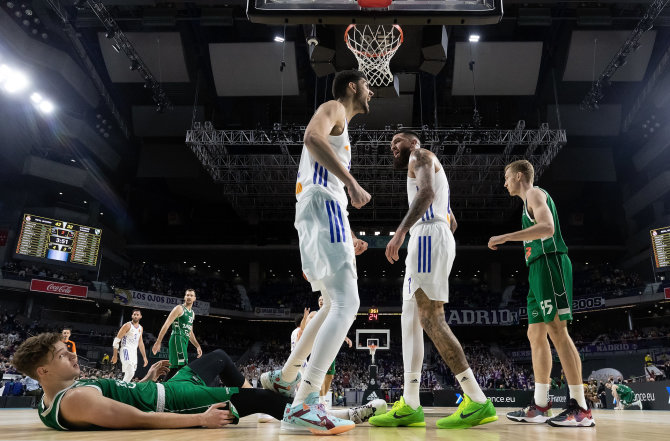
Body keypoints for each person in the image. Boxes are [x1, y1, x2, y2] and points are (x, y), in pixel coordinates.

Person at [260, 69, 372, 435]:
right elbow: (310, 137)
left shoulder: (342, 126)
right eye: (367, 86)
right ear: (352, 87)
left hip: (319, 211)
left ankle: (285, 377)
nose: (372, 92)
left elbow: (322, 180)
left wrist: (349, 232)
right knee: (348, 303)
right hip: (323, 209)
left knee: (330, 305)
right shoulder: (334, 108)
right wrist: (353, 183)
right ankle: (304, 402)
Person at [370, 130, 497, 429]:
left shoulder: (421, 154)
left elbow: (427, 195)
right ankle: (410, 403)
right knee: (409, 319)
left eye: (396, 143)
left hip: (426, 236)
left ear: (413, 142)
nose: (392, 148)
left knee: (430, 319)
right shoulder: (426, 167)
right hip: (428, 238)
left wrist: (401, 232)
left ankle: (477, 398)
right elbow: (452, 220)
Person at [11, 332, 381, 432]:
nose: (72, 354)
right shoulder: (74, 402)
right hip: (174, 400)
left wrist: (144, 377)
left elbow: (122, 398)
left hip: (161, 385)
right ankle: (326, 415)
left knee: (218, 357)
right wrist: (199, 420)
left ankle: (277, 390)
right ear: (43, 372)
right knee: (254, 399)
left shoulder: (54, 399)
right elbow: (139, 419)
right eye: (62, 354)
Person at [488, 159, 594, 427]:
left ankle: (580, 408)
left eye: (507, 177)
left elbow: (548, 228)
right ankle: (541, 404)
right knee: (535, 334)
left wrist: (505, 237)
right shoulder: (526, 204)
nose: (504, 182)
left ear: (520, 175)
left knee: (558, 331)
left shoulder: (535, 193)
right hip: (537, 269)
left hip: (550, 263)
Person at [152, 289, 202, 376]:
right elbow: (166, 325)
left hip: (184, 341)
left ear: (194, 298)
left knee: (174, 369)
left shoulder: (192, 313)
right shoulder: (179, 308)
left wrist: (197, 346)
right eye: (187, 295)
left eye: (191, 295)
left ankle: (163, 387)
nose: (189, 297)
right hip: (177, 338)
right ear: (184, 297)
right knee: (183, 367)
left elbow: (190, 332)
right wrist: (158, 341)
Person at [112, 309, 149, 382]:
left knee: (131, 374)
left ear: (140, 316)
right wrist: (115, 355)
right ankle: (122, 388)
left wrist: (144, 357)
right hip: (125, 349)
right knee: (130, 371)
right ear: (132, 315)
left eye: (137, 315)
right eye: (134, 314)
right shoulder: (127, 325)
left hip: (133, 352)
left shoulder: (140, 328)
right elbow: (116, 341)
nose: (135, 316)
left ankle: (122, 386)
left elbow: (140, 343)